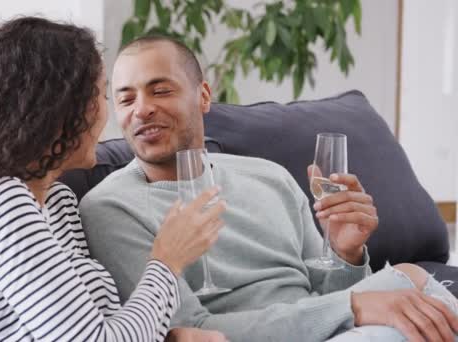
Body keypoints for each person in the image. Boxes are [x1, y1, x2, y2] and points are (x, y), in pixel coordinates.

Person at [0, 18, 228, 342]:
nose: (108, 113)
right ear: (58, 111)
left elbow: (93, 325)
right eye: (100, 95)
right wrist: (166, 261)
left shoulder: (59, 203)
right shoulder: (0, 202)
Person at [79, 35, 458, 342]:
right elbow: (191, 330)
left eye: (160, 91)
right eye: (126, 98)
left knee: (413, 276)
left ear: (204, 96)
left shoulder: (267, 175)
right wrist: (356, 306)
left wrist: (345, 252)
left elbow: (324, 293)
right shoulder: (111, 207)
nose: (141, 109)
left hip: (326, 325)